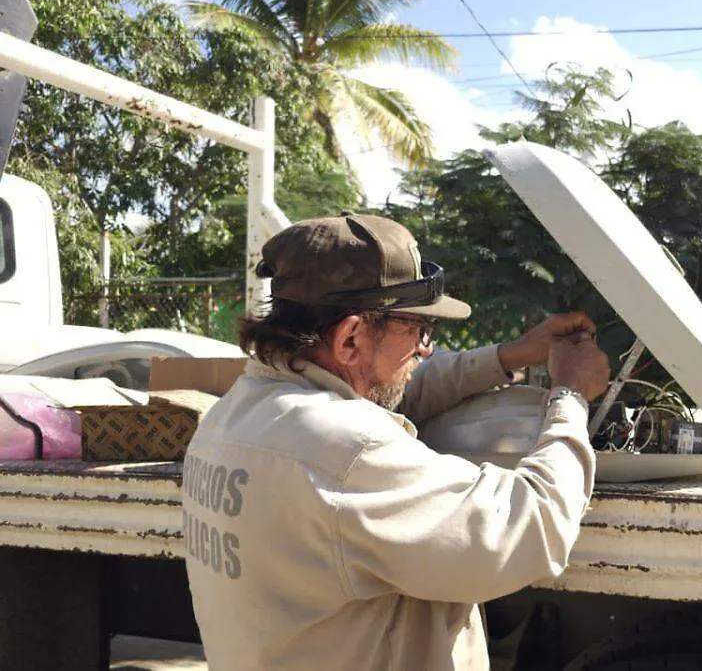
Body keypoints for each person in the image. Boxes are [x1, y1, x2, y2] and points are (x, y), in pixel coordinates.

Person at [181, 212, 611, 671]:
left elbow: (397, 390)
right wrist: (570, 397)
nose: (425, 349)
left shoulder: (233, 416)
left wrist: (508, 356)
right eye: (416, 330)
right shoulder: (350, 453)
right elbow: (529, 527)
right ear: (350, 338)